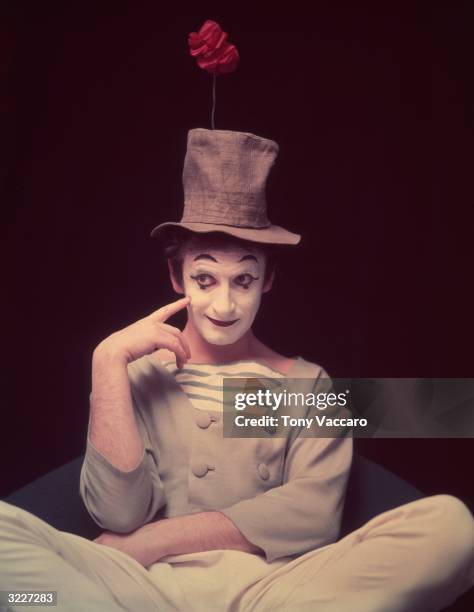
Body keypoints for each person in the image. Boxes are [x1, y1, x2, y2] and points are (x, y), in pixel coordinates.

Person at [0, 128, 473, 612]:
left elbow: (312, 515)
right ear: (175, 277)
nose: (223, 305)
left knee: (451, 527)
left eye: (243, 280)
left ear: (268, 279)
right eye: (204, 279)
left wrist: (154, 540)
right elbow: (117, 514)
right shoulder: (138, 373)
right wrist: (106, 362)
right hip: (136, 592)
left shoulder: (301, 383)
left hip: (269, 592)